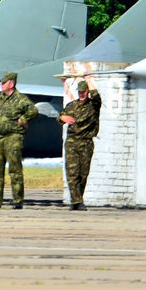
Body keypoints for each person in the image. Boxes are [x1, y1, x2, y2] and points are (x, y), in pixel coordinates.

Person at [0, 71, 38, 209]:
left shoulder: (20, 99)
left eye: (4, 82)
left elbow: (33, 111)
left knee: (14, 168)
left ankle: (17, 200)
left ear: (11, 83)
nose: (1, 85)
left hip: (13, 137)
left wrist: (23, 120)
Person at [59, 78, 102, 210]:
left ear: (87, 91)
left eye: (84, 91)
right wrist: (62, 118)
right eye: (80, 92)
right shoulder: (71, 106)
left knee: (83, 174)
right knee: (72, 173)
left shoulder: (93, 106)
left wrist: (88, 81)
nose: (81, 94)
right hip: (72, 142)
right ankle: (76, 200)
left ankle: (77, 199)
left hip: (86, 142)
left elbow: (97, 97)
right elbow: (60, 118)